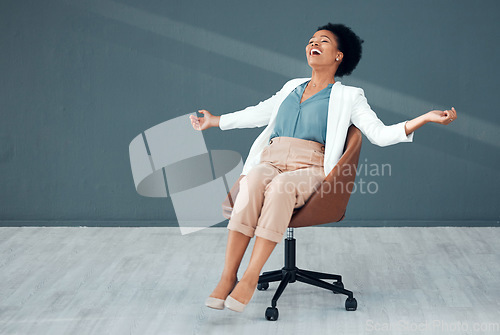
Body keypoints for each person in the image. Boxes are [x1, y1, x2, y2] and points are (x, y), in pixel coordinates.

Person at [189, 23, 457, 313]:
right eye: (311, 40)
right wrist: (215, 120)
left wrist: (426, 118)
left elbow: (379, 134)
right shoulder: (291, 87)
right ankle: (228, 275)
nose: (313, 44)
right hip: (271, 158)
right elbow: (258, 113)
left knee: (282, 187)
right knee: (253, 180)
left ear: (339, 56)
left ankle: (251, 276)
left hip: (311, 166)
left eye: (323, 41)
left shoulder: (350, 96)